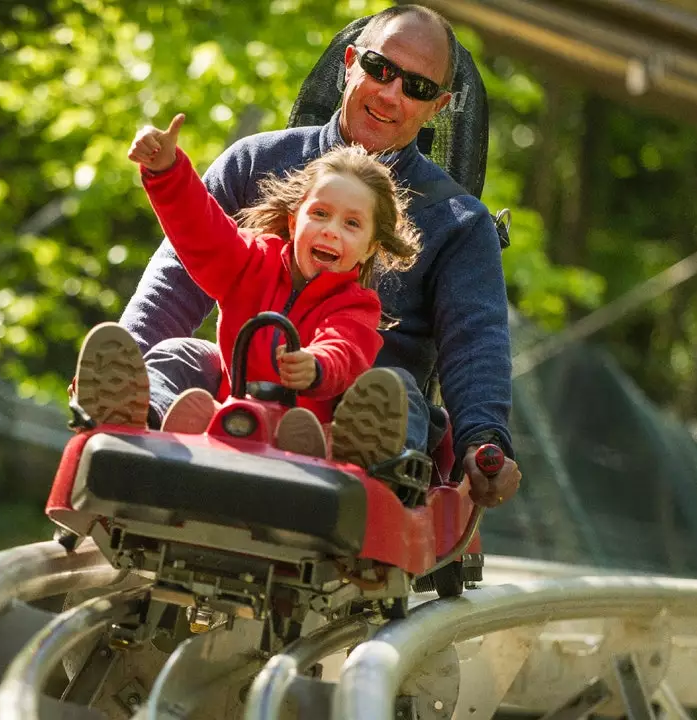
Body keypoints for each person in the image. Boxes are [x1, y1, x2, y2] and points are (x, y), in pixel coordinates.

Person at [117, 4, 522, 507]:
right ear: (350, 62)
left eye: (416, 88)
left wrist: (485, 443)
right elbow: (182, 269)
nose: (391, 93)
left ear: (436, 107)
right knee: (183, 357)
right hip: (238, 395)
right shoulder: (256, 162)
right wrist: (126, 357)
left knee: (394, 390)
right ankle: (126, 410)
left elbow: (475, 343)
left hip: (359, 416)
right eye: (380, 69)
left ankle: (353, 462)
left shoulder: (459, 223)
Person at [73, 113, 420, 463]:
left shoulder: (356, 306)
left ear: (371, 246)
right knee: (182, 352)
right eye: (319, 214)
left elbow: (344, 346)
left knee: (388, 384)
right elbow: (203, 232)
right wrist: (167, 170)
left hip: (309, 428)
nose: (331, 230)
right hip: (229, 411)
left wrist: (316, 365)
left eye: (351, 223)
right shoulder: (254, 259)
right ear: (293, 219)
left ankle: (351, 455)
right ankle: (142, 414)